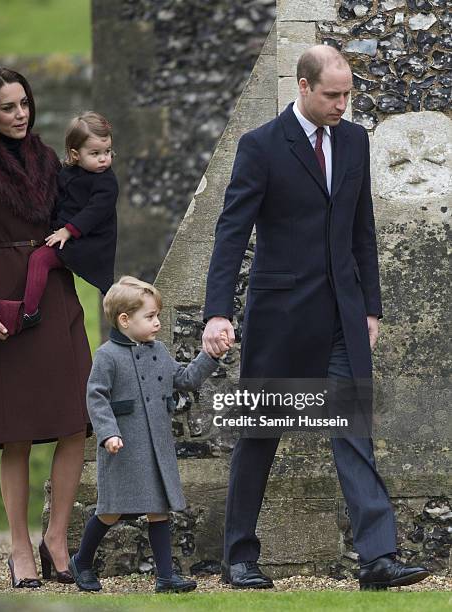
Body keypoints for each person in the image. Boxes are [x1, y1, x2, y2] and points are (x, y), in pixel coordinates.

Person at [202, 45, 430, 591]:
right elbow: (231, 233)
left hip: (342, 317)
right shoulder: (259, 146)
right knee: (259, 432)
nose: (342, 105)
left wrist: (370, 306)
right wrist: (216, 312)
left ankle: (377, 558)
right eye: (333, 95)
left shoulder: (355, 140)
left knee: (353, 430)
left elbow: (362, 228)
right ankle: (239, 558)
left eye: (348, 94)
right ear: (302, 87)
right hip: (278, 316)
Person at [0, 66, 92, 588]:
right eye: (8, 107)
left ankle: (56, 538)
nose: (20, 114)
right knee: (17, 433)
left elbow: (79, 211)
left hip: (55, 293)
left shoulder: (47, 157)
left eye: (24, 103)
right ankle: (18, 548)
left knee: (77, 419)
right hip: (6, 299)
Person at [68, 276, 224, 593]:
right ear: (124, 320)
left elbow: (185, 378)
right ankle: (82, 561)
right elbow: (95, 397)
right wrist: (108, 433)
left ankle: (165, 577)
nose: (156, 322)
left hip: (156, 448)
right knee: (110, 510)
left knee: (158, 509)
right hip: (122, 448)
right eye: (150, 316)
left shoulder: (160, 351)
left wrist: (210, 356)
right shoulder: (107, 355)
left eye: (157, 316)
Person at [21, 111, 119, 328]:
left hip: (88, 242)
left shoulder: (106, 182)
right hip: (68, 234)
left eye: (108, 151)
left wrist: (68, 230)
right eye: (95, 153)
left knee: (40, 259)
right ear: (75, 155)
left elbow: (95, 211)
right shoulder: (67, 173)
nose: (104, 158)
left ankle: (29, 312)